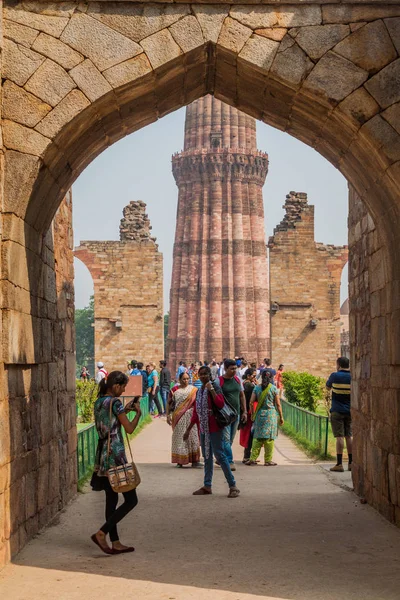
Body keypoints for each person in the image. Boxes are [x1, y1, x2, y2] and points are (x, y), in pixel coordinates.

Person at [90, 371, 141, 555]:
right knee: (131, 499)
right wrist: (137, 414)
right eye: (123, 387)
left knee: (111, 499)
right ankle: (102, 533)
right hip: (116, 455)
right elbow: (129, 428)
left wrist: (124, 411)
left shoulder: (99, 402)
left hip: (103, 454)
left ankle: (116, 541)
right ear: (116, 386)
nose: (124, 390)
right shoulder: (116, 403)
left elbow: (109, 421)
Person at [183, 366, 240, 498]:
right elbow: (197, 412)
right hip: (204, 428)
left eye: (205, 374)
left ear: (210, 375)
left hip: (214, 427)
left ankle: (233, 486)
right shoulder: (200, 390)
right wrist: (188, 429)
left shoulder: (213, 387)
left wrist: (212, 390)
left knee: (220, 455)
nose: (203, 376)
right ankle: (207, 485)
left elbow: (220, 404)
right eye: (201, 374)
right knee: (207, 457)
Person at [246, 370, 284, 466]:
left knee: (257, 437)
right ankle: (267, 460)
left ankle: (252, 458)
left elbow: (251, 402)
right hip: (270, 415)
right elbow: (278, 404)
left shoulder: (257, 388)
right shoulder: (273, 389)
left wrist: (253, 414)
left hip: (259, 415)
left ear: (262, 377)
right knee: (269, 438)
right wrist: (281, 417)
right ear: (271, 378)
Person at [217, 358, 247, 470]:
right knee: (225, 438)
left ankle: (221, 457)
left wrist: (244, 411)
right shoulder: (219, 381)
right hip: (224, 415)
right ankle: (229, 461)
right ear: (225, 369)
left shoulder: (238, 380)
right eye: (231, 369)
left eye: (235, 368)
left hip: (236, 414)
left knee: (230, 439)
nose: (234, 370)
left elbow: (241, 395)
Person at [167, 371, 201, 468]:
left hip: (191, 417)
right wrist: (167, 415)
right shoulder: (174, 389)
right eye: (184, 379)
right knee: (180, 438)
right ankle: (180, 461)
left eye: (187, 379)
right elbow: (168, 403)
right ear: (179, 380)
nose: (186, 381)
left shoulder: (193, 390)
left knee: (193, 437)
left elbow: (197, 404)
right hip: (178, 417)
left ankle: (195, 461)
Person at [326, 356, 352, 472]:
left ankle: (339, 464)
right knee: (349, 436)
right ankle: (351, 463)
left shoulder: (335, 375)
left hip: (337, 410)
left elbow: (327, 387)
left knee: (339, 437)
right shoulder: (352, 376)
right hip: (350, 410)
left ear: (339, 365)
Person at [239, 368, 257, 463]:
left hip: (247, 411)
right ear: (248, 376)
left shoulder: (246, 384)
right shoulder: (249, 386)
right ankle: (247, 456)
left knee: (248, 434)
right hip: (250, 412)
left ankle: (247, 456)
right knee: (250, 434)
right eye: (253, 375)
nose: (255, 377)